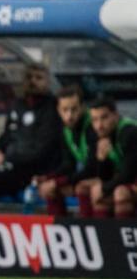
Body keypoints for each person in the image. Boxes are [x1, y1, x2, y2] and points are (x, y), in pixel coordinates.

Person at [0, 63, 61, 214]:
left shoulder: (52, 109)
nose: (32, 81)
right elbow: (6, 135)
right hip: (10, 164)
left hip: (31, 170)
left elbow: (41, 151)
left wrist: (6, 158)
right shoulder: (18, 104)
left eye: (38, 78)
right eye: (28, 77)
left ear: (48, 82)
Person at [36, 86, 95, 217]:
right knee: (51, 190)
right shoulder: (65, 130)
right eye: (65, 110)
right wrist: (48, 178)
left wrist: (56, 182)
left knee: (81, 187)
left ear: (82, 107)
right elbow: (69, 164)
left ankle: (88, 229)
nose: (69, 116)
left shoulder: (93, 126)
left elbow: (92, 168)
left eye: (74, 109)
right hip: (88, 175)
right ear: (58, 110)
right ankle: (59, 229)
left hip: (104, 176)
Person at [85, 98, 137, 218]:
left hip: (132, 178)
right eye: (95, 120)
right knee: (98, 194)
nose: (99, 125)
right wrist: (102, 159)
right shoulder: (104, 136)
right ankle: (101, 235)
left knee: (120, 193)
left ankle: (125, 235)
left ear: (115, 115)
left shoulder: (129, 132)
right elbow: (105, 177)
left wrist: (104, 189)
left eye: (104, 118)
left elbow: (128, 174)